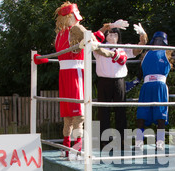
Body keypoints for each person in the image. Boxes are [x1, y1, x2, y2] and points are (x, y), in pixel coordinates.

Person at [43, 2, 128, 159]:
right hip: (76, 73)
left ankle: (66, 146)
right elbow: (93, 44)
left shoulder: (60, 33)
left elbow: (90, 37)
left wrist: (105, 28)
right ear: (71, 17)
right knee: (78, 114)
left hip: (64, 74)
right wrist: (113, 54)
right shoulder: (76, 28)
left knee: (68, 114)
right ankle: (78, 148)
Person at [130, 31, 175, 151]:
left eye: (161, 40)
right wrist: (130, 85)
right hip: (146, 86)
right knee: (141, 115)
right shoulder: (145, 54)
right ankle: (139, 142)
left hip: (160, 86)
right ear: (153, 41)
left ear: (164, 42)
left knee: (161, 116)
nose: (158, 42)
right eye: (156, 40)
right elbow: (139, 75)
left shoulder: (169, 53)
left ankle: (160, 142)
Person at [94, 23, 148, 150]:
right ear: (105, 36)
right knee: (103, 112)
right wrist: (106, 27)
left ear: (119, 36)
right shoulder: (99, 46)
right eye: (110, 34)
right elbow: (91, 39)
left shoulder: (123, 47)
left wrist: (142, 35)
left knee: (121, 111)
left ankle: (122, 141)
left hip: (119, 81)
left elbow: (139, 49)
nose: (112, 36)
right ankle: (104, 141)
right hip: (103, 81)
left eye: (115, 34)